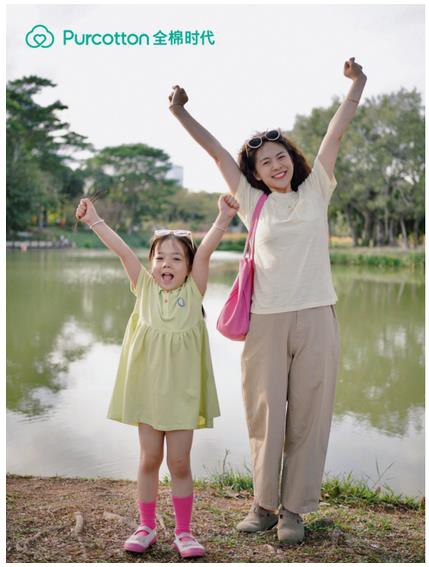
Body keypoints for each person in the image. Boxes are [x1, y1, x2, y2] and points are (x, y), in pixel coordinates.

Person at [169, 57, 367, 544]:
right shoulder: (254, 203)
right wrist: (180, 114)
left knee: (309, 413)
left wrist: (357, 85)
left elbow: (336, 135)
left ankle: (294, 511)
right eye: (265, 162)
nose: (276, 165)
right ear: (255, 174)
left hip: (317, 316)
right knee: (265, 414)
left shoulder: (317, 187)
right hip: (265, 322)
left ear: (292, 160)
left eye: (281, 156)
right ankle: (261, 503)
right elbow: (216, 153)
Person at [75, 193, 239, 557]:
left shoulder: (194, 291)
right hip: (149, 393)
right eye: (160, 257)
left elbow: (208, 248)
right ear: (151, 264)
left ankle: (183, 532)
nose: (167, 263)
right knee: (149, 459)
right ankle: (146, 525)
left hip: (182, 396)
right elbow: (123, 252)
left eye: (177, 258)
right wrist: (94, 220)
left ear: (188, 265)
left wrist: (224, 217)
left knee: (179, 463)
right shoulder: (144, 288)